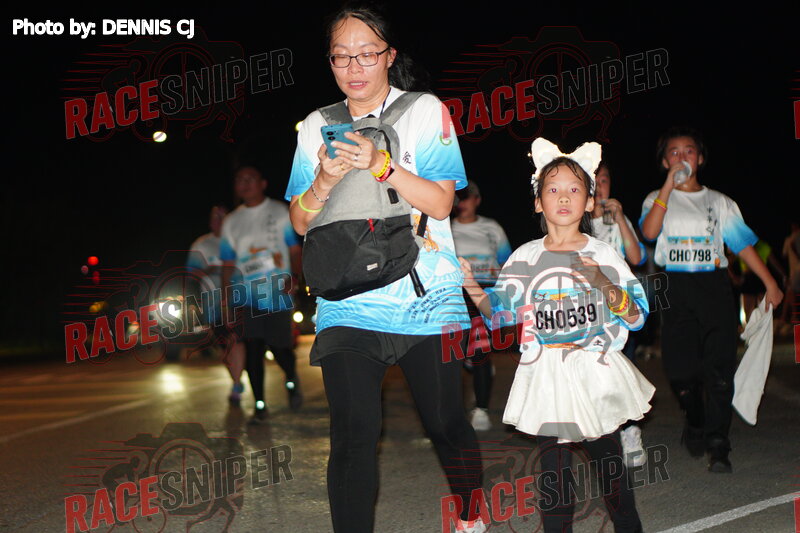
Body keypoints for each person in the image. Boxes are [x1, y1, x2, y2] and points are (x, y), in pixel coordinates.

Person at [285, 5, 484, 533]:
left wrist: (380, 163)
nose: (354, 67)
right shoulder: (316, 125)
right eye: (341, 56)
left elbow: (441, 203)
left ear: (389, 56)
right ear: (329, 61)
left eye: (367, 54)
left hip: (427, 296)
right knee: (352, 435)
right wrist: (324, 181)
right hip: (347, 301)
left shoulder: (426, 111)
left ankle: (471, 513)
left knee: (445, 422)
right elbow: (300, 221)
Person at [462, 138, 652, 533]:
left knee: (609, 467)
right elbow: (499, 314)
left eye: (574, 189)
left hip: (594, 373)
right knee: (554, 473)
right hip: (547, 374)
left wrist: (603, 282)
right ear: (538, 202)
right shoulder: (525, 257)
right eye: (552, 189)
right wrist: (471, 285)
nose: (563, 197)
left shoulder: (603, 254)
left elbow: (636, 316)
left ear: (589, 202)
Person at [639, 127, 783, 472]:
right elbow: (649, 232)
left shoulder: (719, 201)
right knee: (680, 370)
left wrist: (770, 283)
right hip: (675, 285)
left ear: (700, 158)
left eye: (689, 150)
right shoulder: (656, 198)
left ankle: (718, 443)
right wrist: (668, 187)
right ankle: (695, 416)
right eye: (674, 152)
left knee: (719, 367)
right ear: (664, 162)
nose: (682, 157)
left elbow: (741, 245)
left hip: (714, 286)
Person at [220, 166, 303, 423]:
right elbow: (228, 263)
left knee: (279, 347)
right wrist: (225, 296)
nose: (244, 184)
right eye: (239, 180)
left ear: (263, 183)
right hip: (246, 294)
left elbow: (295, 251)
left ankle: (291, 378)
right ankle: (259, 405)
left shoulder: (280, 212)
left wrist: (294, 277)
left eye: (250, 179)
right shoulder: (231, 221)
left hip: (277, 291)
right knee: (253, 346)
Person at [591, 162, 648, 468]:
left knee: (624, 369)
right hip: (587, 311)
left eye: (604, 180)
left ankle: (631, 431)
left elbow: (637, 256)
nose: (600, 187)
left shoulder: (618, 219)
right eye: (593, 181)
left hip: (619, 309)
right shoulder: (576, 221)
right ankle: (602, 434)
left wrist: (622, 218)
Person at [451, 180, 512, 431]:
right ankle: (452, 410)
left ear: (477, 200)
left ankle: (481, 409)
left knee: (479, 350)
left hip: (485, 291)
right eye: (459, 197)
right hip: (455, 294)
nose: (463, 202)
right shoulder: (445, 228)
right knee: (452, 352)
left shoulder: (491, 227)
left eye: (468, 197)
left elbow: (507, 263)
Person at [187, 205, 228, 336]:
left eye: (222, 217)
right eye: (216, 217)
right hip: (213, 305)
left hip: (239, 302)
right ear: (210, 221)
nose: (219, 220)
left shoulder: (237, 242)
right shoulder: (200, 245)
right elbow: (191, 275)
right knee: (222, 338)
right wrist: (208, 271)